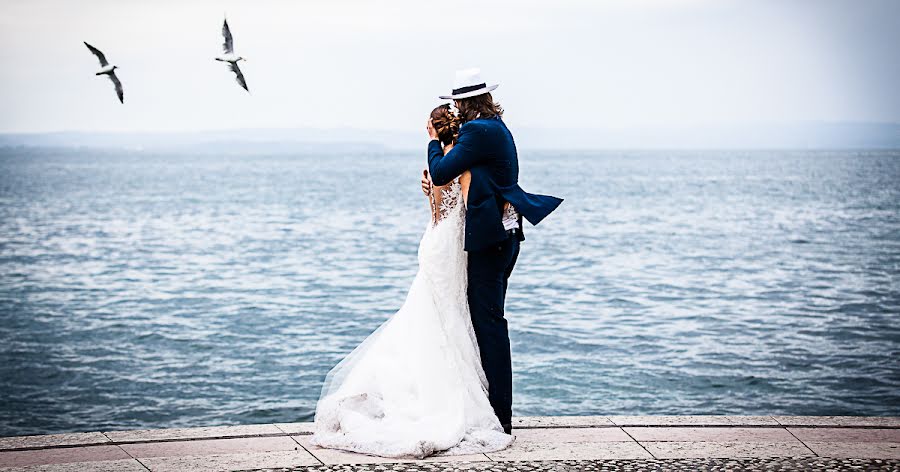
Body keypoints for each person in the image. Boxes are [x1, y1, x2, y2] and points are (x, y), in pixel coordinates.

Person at [310, 103, 513, 459]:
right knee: (452, 317)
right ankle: (471, 400)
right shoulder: (462, 165)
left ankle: (427, 391)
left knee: (437, 315)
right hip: (451, 246)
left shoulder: (441, 167)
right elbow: (469, 205)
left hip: (435, 242)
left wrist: (434, 181)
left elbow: (442, 195)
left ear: (433, 131)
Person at [424, 68, 563, 435]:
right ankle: (492, 408)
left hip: (492, 241)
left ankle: (500, 417)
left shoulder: (478, 131)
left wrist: (434, 138)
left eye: (455, 102)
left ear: (463, 103)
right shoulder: (496, 128)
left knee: (489, 324)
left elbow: (440, 172)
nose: (453, 108)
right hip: (503, 236)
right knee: (487, 321)